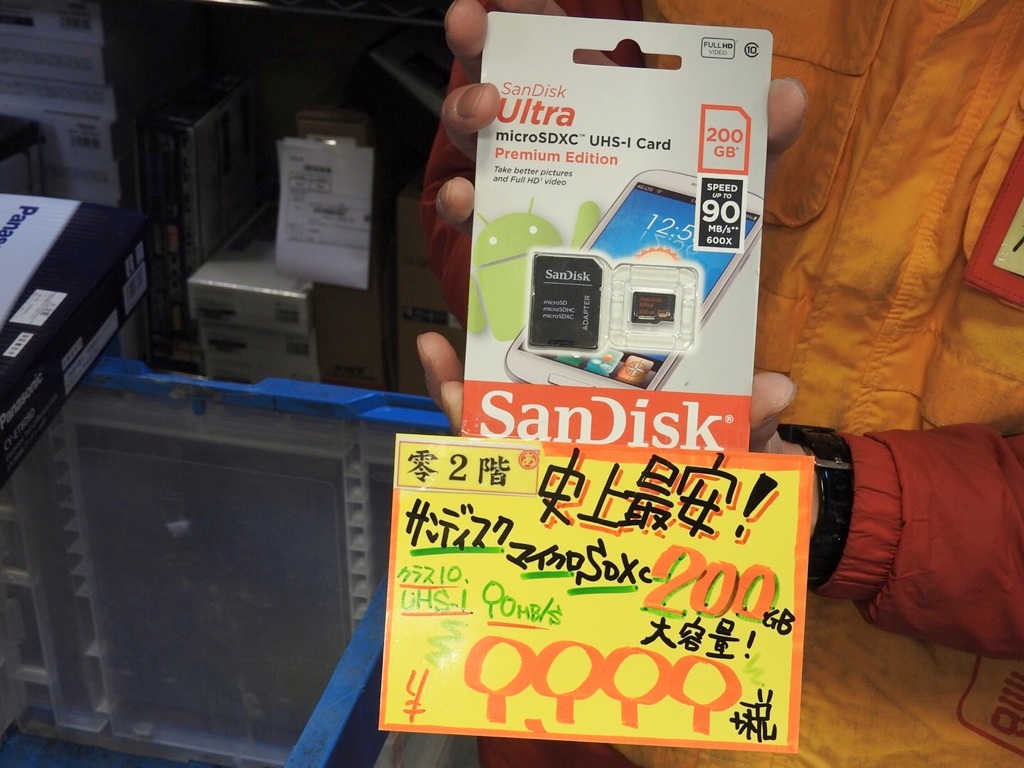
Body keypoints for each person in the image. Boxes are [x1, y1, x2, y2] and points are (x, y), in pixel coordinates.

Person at [416, 0, 1024, 765]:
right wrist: (535, 215)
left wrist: (835, 509)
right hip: (573, 678)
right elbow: (461, 206)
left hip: (927, 732)